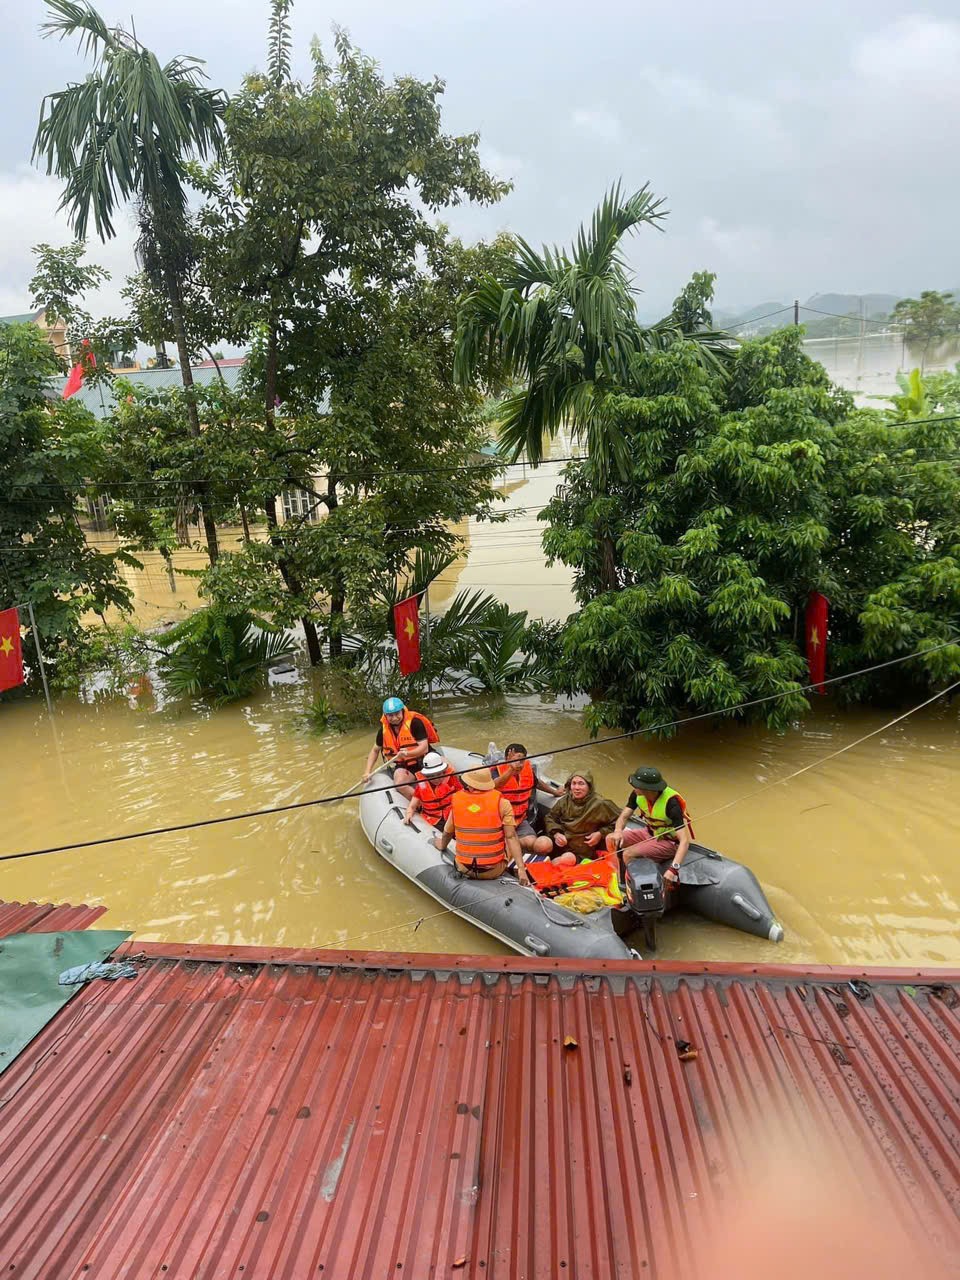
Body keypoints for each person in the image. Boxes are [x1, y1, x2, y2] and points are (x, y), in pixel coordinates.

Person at [435, 768, 531, 886]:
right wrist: (521, 869)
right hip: (493, 871)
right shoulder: (503, 803)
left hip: (464, 868)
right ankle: (516, 870)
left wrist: (442, 845)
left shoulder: (457, 801)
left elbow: (447, 832)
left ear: (470, 785)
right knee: (510, 837)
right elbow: (511, 837)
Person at [605, 765, 692, 884]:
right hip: (649, 832)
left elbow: (684, 840)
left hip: (668, 842)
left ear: (647, 789)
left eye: (636, 785)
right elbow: (624, 816)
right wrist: (618, 831)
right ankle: (617, 876)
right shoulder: (637, 794)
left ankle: (629, 884)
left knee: (628, 854)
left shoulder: (671, 804)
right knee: (610, 839)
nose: (634, 787)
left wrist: (673, 869)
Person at [492, 742, 564, 858]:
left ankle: (522, 852)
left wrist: (555, 792)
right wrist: (511, 770)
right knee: (506, 852)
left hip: (520, 822)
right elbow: (493, 785)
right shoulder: (496, 771)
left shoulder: (527, 769)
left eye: (522, 760)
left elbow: (537, 783)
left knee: (543, 845)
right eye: (517, 759)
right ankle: (511, 848)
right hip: (500, 824)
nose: (520, 763)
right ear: (507, 757)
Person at [362, 697, 440, 796]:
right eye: (390, 715)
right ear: (385, 716)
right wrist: (367, 771)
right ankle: (422, 804)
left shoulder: (415, 723)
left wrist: (408, 753)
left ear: (402, 711)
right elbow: (375, 751)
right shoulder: (383, 731)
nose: (394, 718)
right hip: (406, 766)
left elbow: (424, 748)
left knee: (448, 768)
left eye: (397, 714)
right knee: (399, 783)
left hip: (426, 759)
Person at [542, 771, 621, 867]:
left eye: (581, 784)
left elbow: (619, 820)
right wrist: (556, 834)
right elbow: (550, 817)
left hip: (581, 849)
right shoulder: (565, 800)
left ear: (589, 786)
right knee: (541, 844)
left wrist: (600, 833)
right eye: (574, 783)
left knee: (567, 859)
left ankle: (544, 872)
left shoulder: (601, 803)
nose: (576, 788)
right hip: (562, 841)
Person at [403, 751, 462, 830]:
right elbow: (412, 806)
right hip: (433, 820)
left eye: (439, 774)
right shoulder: (421, 786)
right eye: (431, 776)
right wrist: (409, 814)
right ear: (426, 775)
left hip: (452, 816)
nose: (436, 779)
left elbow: (463, 795)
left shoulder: (451, 778)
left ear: (444, 772)